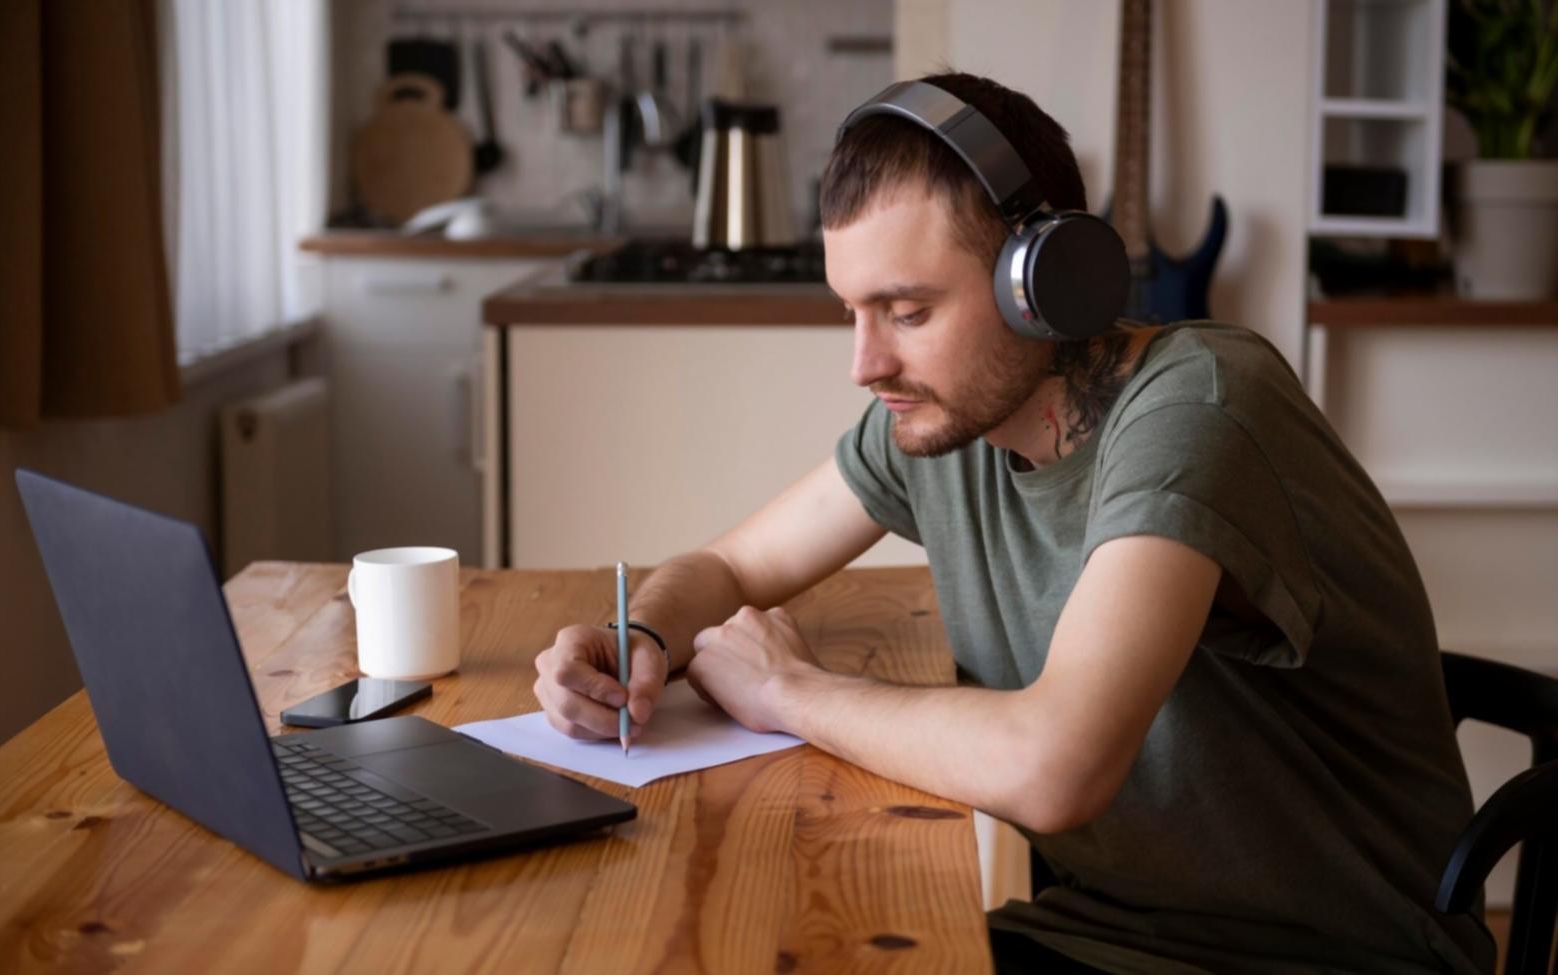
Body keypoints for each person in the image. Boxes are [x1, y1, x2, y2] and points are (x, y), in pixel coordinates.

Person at [531, 72, 1494, 975]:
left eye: (905, 310)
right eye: (851, 313)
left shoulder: (1198, 409)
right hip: (1104, 935)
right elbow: (730, 563)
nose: (865, 363)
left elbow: (1054, 766)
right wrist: (641, 633)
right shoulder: (938, 420)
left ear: (1046, 281)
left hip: (1323, 954)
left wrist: (788, 689)